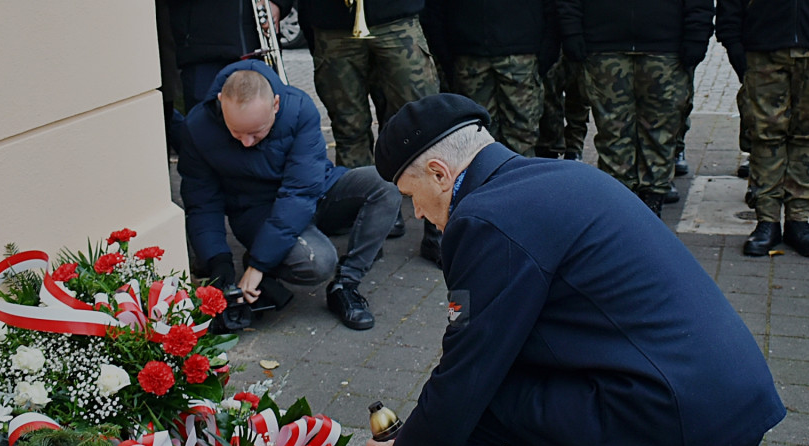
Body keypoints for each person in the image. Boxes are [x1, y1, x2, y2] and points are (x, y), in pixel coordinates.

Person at [366, 94, 798, 446]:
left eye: (411, 196)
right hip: (725, 395)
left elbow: (468, 370)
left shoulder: (483, 219)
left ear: (441, 174)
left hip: (676, 411)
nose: (417, 214)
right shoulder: (560, 176)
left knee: (468, 417)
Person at [178, 60, 401, 330]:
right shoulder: (197, 128)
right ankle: (274, 255)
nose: (246, 143)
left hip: (315, 190)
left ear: (276, 105)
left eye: (256, 133)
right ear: (220, 102)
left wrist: (259, 264)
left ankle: (346, 284)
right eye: (236, 132)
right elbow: (202, 203)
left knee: (384, 184)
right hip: (257, 211)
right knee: (318, 263)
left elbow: (300, 192)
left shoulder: (299, 108)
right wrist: (219, 264)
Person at [301, 0, 444, 267]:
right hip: (333, 21)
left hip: (394, 17)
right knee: (349, 128)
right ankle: (369, 231)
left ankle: (438, 228)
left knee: (423, 124)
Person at [716, 0, 809, 258]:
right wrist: (733, 44)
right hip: (764, 51)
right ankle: (767, 220)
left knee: (808, 137)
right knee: (765, 138)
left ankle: (798, 220)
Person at [558, 0, 714, 217]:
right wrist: (571, 31)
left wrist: (697, 35)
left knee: (660, 130)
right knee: (613, 130)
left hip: (664, 48)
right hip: (604, 46)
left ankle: (653, 199)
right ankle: (619, 203)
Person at [422, 0, 559, 157]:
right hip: (469, 53)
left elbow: (552, 7)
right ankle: (487, 178)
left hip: (520, 53)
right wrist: (444, 53)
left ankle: (520, 177)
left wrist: (548, 51)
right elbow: (434, 9)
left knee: (522, 133)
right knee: (477, 134)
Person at [168, 0, 293, 112]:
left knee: (267, 122)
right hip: (202, 51)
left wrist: (277, 3)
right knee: (205, 125)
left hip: (256, 47)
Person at [536, 53, 590, 161]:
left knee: (578, 92)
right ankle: (550, 148)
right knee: (548, 94)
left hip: (583, 42)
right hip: (549, 42)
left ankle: (574, 149)